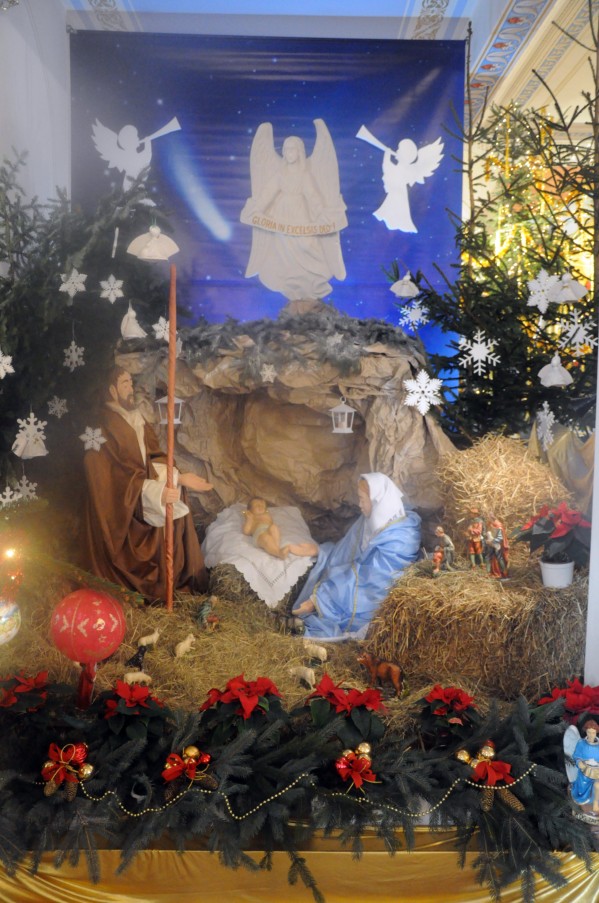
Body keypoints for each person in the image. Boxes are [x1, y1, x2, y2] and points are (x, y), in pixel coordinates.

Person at [82, 366, 213, 602]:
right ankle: (151, 585)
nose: (131, 389)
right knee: (168, 499)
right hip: (121, 512)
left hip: (141, 494)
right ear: (112, 390)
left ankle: (174, 579)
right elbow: (110, 481)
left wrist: (177, 478)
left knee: (176, 499)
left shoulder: (136, 419)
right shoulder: (103, 426)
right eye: (125, 384)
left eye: (131, 383)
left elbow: (152, 458)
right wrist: (156, 492)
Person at [291, 473, 421, 640]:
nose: (359, 505)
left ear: (376, 501)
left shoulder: (399, 540)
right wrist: (321, 552)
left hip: (377, 599)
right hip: (354, 583)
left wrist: (320, 598)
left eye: (362, 499)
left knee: (328, 616)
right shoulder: (370, 520)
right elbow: (345, 553)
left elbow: (371, 582)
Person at [240, 119, 347, 301]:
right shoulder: (280, 174)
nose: (289, 153)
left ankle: (314, 279)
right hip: (282, 214)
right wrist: (256, 209)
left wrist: (322, 216)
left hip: (300, 213)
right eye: (287, 149)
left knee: (307, 243)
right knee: (283, 248)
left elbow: (313, 197)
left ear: (299, 152)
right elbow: (267, 194)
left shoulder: (304, 175)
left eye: (293, 149)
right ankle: (291, 283)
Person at [242, 498, 319, 560]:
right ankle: (278, 553)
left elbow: (265, 507)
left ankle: (275, 548)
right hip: (259, 533)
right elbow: (246, 531)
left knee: (274, 527)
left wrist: (263, 504)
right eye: (256, 505)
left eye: (262, 505)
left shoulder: (266, 513)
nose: (260, 506)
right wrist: (248, 518)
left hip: (269, 528)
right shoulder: (252, 517)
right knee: (266, 538)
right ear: (250, 510)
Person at [570, 720, 599, 814]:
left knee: (597, 785)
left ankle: (596, 803)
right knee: (583, 784)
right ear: (586, 732)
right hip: (585, 772)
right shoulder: (581, 743)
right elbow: (576, 756)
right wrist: (580, 763)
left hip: (597, 771)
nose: (591, 735)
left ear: (596, 732)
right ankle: (586, 801)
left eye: (593, 732)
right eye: (589, 732)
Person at [485, 514, 509, 579]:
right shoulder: (490, 525)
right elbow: (487, 535)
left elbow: (500, 538)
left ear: (492, 519)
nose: (487, 520)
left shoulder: (498, 526)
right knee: (488, 558)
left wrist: (492, 540)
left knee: (499, 559)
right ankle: (488, 573)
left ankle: (504, 574)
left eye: (488, 518)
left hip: (496, 546)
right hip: (491, 546)